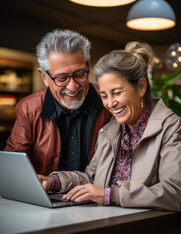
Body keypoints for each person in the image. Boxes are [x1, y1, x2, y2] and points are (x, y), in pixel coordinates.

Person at [38, 41, 181, 211]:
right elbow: (92, 179)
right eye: (104, 95)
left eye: (117, 93)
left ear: (141, 87)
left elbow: (175, 193)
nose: (110, 103)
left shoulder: (172, 128)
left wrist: (109, 195)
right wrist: (54, 181)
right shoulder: (109, 130)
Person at [4, 29, 111, 175]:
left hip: (98, 195)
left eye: (80, 75)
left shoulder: (109, 101)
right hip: (46, 196)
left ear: (87, 67)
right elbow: (13, 167)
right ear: (44, 77)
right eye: (61, 78)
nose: (73, 87)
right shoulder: (28, 109)